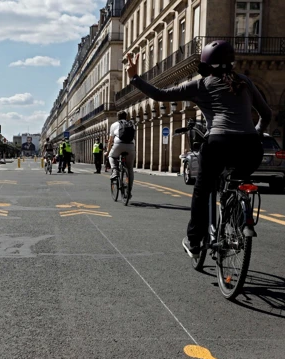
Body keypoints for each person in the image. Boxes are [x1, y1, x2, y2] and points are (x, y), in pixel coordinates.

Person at [125, 41, 271, 257]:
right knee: (237, 182)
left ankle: (194, 241)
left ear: (206, 63)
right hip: (251, 148)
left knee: (202, 191)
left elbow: (159, 95)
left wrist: (134, 77)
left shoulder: (202, 85)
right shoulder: (246, 82)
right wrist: (255, 133)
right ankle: (238, 218)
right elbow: (266, 115)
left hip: (219, 143)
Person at [106, 111, 136, 182]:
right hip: (130, 145)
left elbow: (110, 140)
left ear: (118, 117)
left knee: (111, 156)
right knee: (130, 168)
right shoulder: (131, 124)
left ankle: (115, 171)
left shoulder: (114, 125)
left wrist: (107, 151)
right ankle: (129, 191)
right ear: (126, 117)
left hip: (118, 144)